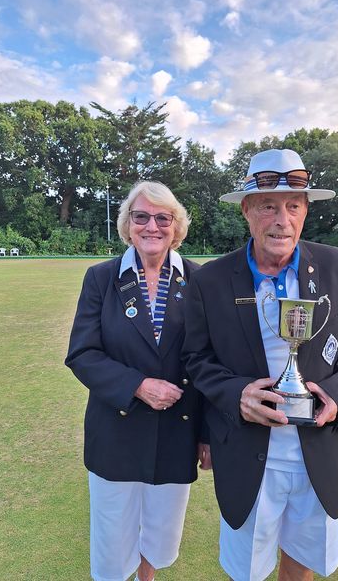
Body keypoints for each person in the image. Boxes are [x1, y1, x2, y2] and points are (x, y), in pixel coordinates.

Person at [183, 149, 338, 581]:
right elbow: (196, 358)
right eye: (269, 206)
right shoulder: (211, 280)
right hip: (248, 452)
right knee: (247, 570)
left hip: (318, 448)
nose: (281, 219)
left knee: (301, 564)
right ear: (247, 211)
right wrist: (237, 396)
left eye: (293, 206)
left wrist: (336, 397)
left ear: (306, 211)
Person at [65, 180, 211, 581]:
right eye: (141, 217)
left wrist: (208, 435)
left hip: (177, 431)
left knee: (160, 534)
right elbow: (82, 353)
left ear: (176, 226)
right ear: (128, 225)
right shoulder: (101, 278)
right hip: (116, 429)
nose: (152, 226)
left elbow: (209, 362)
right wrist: (136, 385)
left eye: (162, 218)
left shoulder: (200, 281)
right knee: (113, 537)